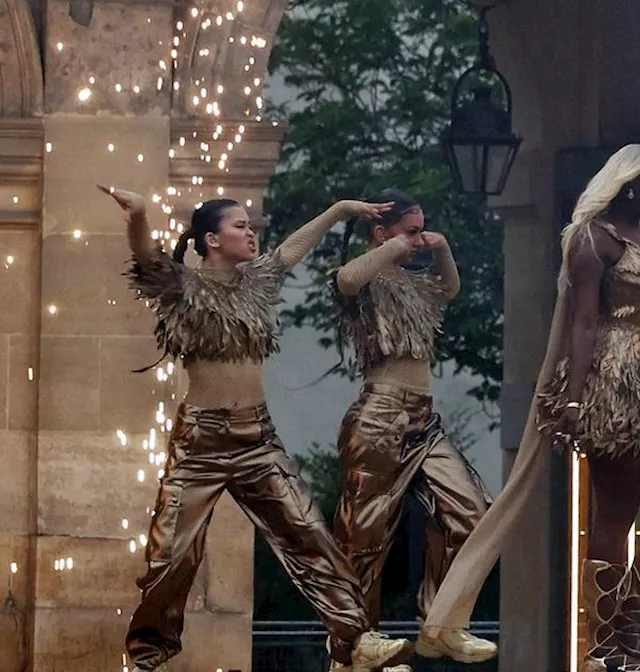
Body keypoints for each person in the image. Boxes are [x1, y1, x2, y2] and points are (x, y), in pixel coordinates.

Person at [416, 144, 640, 672]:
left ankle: (624, 618)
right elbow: (583, 323)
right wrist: (574, 397)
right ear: (629, 183)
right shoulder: (594, 241)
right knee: (615, 515)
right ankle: (608, 645)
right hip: (612, 386)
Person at [100, 185, 413, 672]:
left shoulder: (255, 282)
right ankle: (146, 658)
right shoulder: (181, 287)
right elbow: (144, 254)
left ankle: (357, 641)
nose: (251, 233)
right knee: (170, 557)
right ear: (211, 239)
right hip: (200, 443)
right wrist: (139, 213)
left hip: (257, 440)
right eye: (240, 226)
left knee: (310, 534)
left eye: (251, 226)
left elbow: (291, 248)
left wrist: (339, 210)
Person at [329, 189, 494, 664]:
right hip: (380, 415)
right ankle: (354, 647)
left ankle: (441, 623)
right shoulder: (369, 276)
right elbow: (346, 278)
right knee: (364, 535)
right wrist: (394, 245)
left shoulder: (415, 283)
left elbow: (451, 289)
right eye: (411, 230)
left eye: (422, 229)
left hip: (424, 419)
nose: (419, 239)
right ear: (382, 233)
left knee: (472, 512)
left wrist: (439, 248)